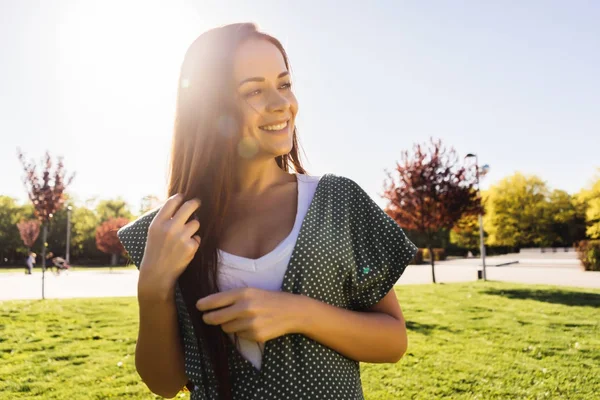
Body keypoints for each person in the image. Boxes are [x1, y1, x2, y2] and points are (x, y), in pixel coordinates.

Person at [117, 23, 417, 400]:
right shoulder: (168, 229)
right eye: (254, 90)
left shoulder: (339, 202)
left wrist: (298, 313)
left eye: (285, 84)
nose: (281, 104)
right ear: (209, 110)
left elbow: (393, 341)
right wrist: (152, 286)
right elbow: (163, 385)